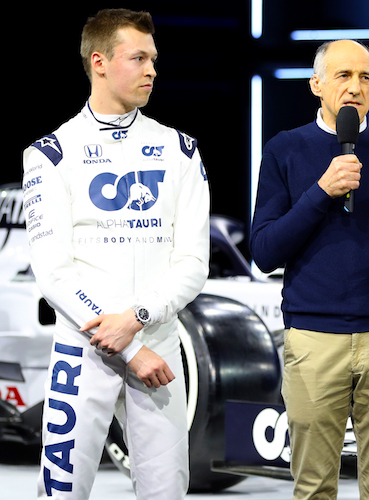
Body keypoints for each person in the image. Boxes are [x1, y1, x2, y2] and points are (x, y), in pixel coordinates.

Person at [22, 8, 210, 499]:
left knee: (167, 492)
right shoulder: (50, 153)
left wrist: (139, 319)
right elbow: (54, 273)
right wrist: (127, 344)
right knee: (62, 492)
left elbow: (193, 263)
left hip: (160, 345)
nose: (152, 70)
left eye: (154, 59)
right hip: (82, 348)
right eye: (139, 58)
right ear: (99, 61)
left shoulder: (181, 150)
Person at [250, 39, 369, 500]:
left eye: (365, 77)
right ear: (316, 84)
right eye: (343, 76)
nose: (355, 87)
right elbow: (264, 251)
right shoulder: (285, 150)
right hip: (314, 341)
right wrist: (320, 192)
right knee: (314, 488)